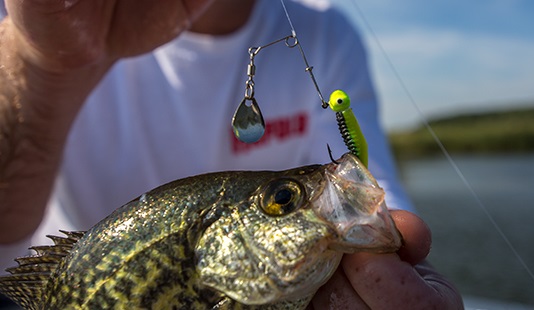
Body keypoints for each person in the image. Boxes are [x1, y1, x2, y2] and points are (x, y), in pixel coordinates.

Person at [0, 0, 463, 308]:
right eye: (283, 199)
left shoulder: (325, 32)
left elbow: (376, 204)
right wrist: (43, 65)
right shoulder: (49, 17)